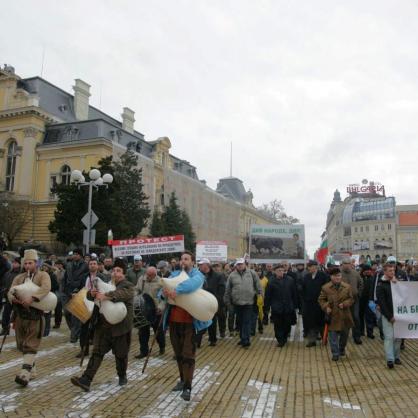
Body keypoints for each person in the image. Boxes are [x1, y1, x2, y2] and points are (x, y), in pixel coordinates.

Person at [71, 258, 134, 391]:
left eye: (119, 271)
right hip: (103, 326)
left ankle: (122, 375)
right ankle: (86, 380)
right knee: (97, 353)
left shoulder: (127, 285)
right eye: (114, 270)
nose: (116, 273)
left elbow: (120, 294)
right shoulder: (106, 283)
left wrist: (104, 295)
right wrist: (91, 293)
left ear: (124, 274)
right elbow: (91, 296)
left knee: (121, 355)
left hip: (120, 328)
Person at [161, 251, 211, 401]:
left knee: (188, 355)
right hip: (174, 322)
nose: (183, 261)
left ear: (192, 262)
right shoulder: (174, 274)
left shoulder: (197, 275)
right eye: (182, 259)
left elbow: (192, 284)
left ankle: (187, 388)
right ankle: (182, 380)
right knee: (179, 354)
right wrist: (164, 293)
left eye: (186, 259)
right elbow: (161, 292)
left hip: (191, 323)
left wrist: (176, 290)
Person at [7, 249, 51, 386]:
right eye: (25, 263)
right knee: (22, 345)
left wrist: (32, 298)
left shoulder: (43, 275)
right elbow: (11, 291)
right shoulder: (19, 277)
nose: (27, 266)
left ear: (36, 263)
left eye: (30, 263)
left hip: (35, 316)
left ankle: (24, 375)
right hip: (20, 316)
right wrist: (13, 299)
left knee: (31, 345)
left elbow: (46, 288)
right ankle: (32, 371)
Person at [318, 267, 354, 361]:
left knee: (344, 335)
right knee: (332, 336)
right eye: (335, 276)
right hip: (332, 316)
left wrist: (345, 304)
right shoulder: (325, 287)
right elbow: (321, 299)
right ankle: (335, 353)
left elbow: (351, 299)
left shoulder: (347, 287)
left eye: (339, 275)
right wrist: (326, 307)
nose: (338, 277)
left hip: (345, 315)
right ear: (331, 277)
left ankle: (341, 349)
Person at [224, 258, 261, 348]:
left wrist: (260, 295)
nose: (240, 266)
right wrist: (227, 301)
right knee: (240, 322)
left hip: (249, 302)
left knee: (246, 321)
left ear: (245, 264)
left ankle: (246, 340)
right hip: (236, 303)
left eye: (241, 264)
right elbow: (228, 289)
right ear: (236, 265)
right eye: (238, 264)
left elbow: (258, 285)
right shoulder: (232, 275)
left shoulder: (252, 273)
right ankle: (242, 338)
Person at [76, 258, 107, 359]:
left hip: (98, 305)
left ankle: (98, 349)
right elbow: (79, 287)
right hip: (85, 304)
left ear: (97, 266)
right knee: (84, 327)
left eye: (94, 264)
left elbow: (106, 289)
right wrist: (75, 292)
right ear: (88, 266)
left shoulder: (102, 277)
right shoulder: (84, 277)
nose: (92, 265)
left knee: (98, 327)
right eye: (90, 264)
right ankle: (84, 349)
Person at [134, 266, 165, 359]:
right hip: (143, 309)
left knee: (158, 331)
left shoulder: (161, 282)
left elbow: (164, 298)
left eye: (151, 275)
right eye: (148, 275)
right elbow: (136, 289)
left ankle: (162, 346)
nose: (149, 277)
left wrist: (160, 307)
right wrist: (135, 296)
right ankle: (143, 351)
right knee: (143, 332)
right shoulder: (142, 279)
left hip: (156, 310)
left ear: (155, 274)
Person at [376, 263, 402, 369]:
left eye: (393, 270)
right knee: (389, 337)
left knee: (398, 337)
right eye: (390, 271)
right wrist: (389, 316)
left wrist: (397, 284)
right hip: (388, 316)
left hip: (399, 315)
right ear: (385, 272)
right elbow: (382, 303)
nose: (393, 272)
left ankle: (396, 356)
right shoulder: (381, 285)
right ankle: (390, 359)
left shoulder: (396, 283)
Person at [264, 264, 298, 347]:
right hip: (276, 307)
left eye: (282, 270)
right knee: (278, 324)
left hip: (288, 306)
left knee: (287, 323)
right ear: (275, 272)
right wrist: (267, 307)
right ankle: (280, 339)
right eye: (279, 271)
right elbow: (268, 295)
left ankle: (285, 336)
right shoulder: (271, 281)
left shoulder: (290, 280)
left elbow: (294, 293)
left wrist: (295, 305)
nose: (281, 272)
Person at [61, 249, 89, 343]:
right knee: (67, 312)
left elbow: (85, 279)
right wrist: (63, 290)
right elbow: (65, 278)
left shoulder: (85, 266)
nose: (74, 256)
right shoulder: (69, 265)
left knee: (76, 315)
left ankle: (74, 336)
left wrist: (79, 290)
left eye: (77, 254)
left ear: (80, 255)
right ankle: (74, 330)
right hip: (67, 292)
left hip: (79, 292)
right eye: (74, 254)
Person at [197, 258, 226, 346]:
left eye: (202, 264)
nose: (200, 266)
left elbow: (221, 289)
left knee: (212, 321)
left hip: (212, 302)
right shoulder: (197, 275)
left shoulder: (218, 276)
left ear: (207, 265)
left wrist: (217, 301)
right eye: (200, 265)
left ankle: (213, 339)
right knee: (200, 321)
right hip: (200, 302)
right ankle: (197, 341)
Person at [302, 260, 328, 347]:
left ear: (316, 266)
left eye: (311, 266)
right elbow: (303, 288)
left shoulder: (323, 276)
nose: (310, 268)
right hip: (309, 304)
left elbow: (326, 289)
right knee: (311, 323)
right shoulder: (306, 276)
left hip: (320, 303)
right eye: (309, 267)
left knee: (321, 322)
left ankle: (324, 338)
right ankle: (312, 340)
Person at [340, 257, 364, 345]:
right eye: (345, 264)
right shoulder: (339, 274)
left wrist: (358, 293)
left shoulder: (356, 273)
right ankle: (342, 335)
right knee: (343, 318)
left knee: (356, 317)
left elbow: (361, 283)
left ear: (351, 264)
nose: (346, 266)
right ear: (342, 265)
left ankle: (356, 336)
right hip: (342, 301)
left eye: (348, 264)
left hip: (354, 300)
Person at [0, 257, 21, 335]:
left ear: (19, 264)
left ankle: (19, 329)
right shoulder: (8, 273)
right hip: (8, 297)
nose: (14, 264)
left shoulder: (21, 274)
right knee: (6, 313)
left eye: (16, 263)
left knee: (18, 314)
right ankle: (5, 329)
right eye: (13, 262)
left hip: (18, 297)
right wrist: (4, 291)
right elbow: (4, 283)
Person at [40, 261, 59, 337]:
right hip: (42, 296)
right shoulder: (40, 275)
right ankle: (41, 330)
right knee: (42, 314)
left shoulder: (52, 275)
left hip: (49, 296)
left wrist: (48, 289)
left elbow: (56, 286)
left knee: (47, 314)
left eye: (46, 266)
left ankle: (46, 331)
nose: (44, 268)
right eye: (43, 266)